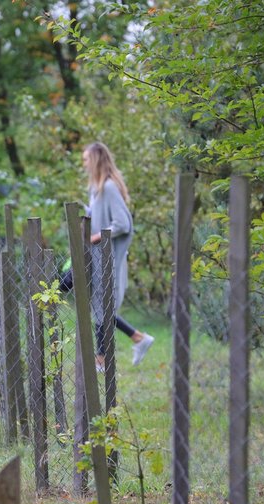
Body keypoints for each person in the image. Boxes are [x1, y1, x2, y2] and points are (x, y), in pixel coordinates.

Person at [78, 141, 155, 370]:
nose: (83, 164)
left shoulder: (109, 187)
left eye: (86, 159)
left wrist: (95, 238)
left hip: (106, 256)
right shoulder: (97, 189)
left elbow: (122, 223)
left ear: (96, 160)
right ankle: (137, 339)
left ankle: (103, 359)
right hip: (96, 255)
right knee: (99, 305)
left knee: (100, 305)